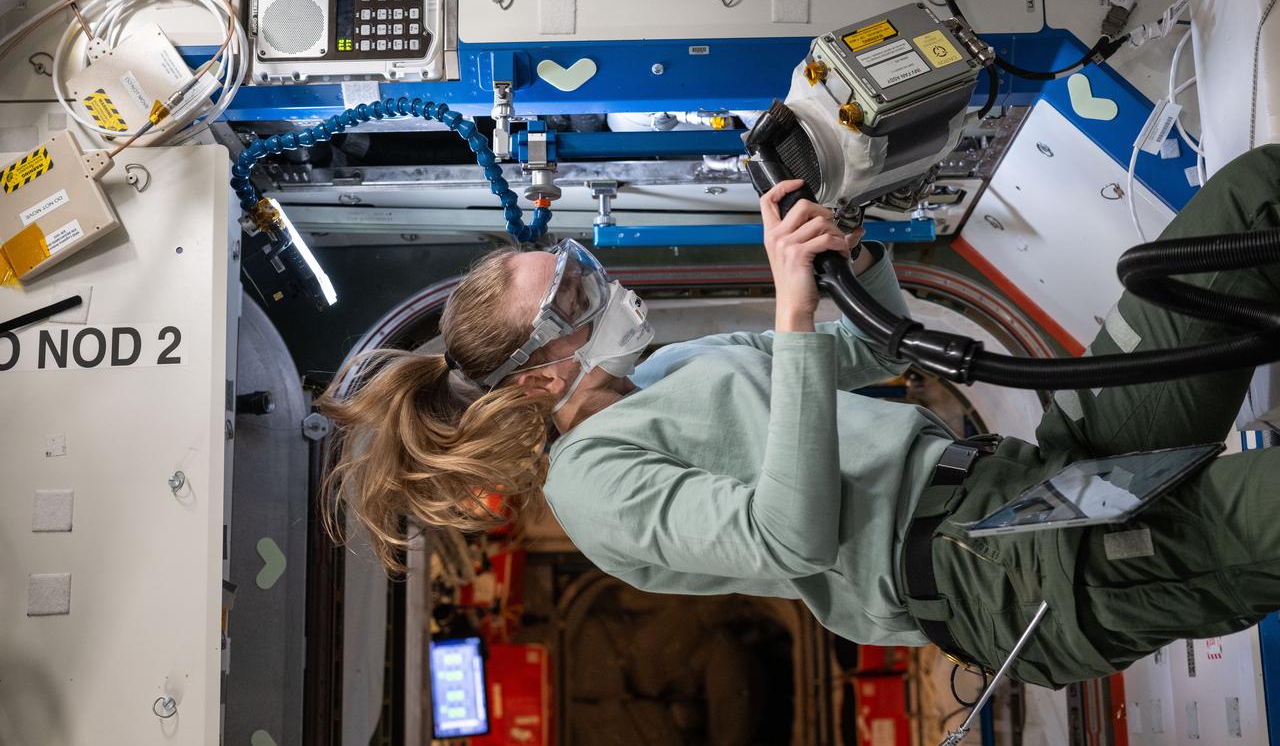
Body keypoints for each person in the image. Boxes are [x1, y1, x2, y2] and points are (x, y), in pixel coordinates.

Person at [319, 145, 1280, 689]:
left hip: (1028, 477)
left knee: (1252, 198)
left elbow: (875, 348)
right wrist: (789, 309)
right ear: (535, 382)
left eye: (578, 267)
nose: (600, 289)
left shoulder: (664, 371)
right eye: (571, 302)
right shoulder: (592, 491)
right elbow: (794, 532)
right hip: (1002, 578)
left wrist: (854, 264)